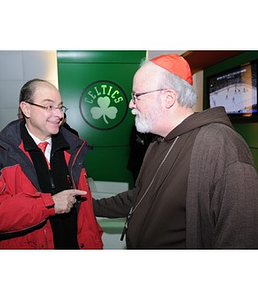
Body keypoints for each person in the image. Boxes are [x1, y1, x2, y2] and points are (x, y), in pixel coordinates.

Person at [93, 54, 258, 249]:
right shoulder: (158, 142)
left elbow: (241, 238)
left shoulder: (220, 144)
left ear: (168, 98)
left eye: (136, 96)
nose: (131, 104)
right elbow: (141, 196)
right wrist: (90, 207)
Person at [0, 78, 103, 249]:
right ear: (26, 109)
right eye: (49, 106)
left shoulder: (73, 149)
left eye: (60, 107)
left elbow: (86, 214)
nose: (59, 114)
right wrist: (48, 204)